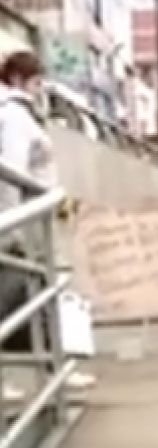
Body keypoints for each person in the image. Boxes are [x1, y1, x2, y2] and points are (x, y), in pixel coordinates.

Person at [0, 50, 96, 401]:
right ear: (18, 79)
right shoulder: (13, 115)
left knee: (38, 298)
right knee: (13, 301)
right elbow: (13, 171)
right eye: (36, 81)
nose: (41, 89)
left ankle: (54, 371)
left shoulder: (22, 113)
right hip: (20, 224)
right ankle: (45, 372)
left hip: (30, 221)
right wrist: (13, 228)